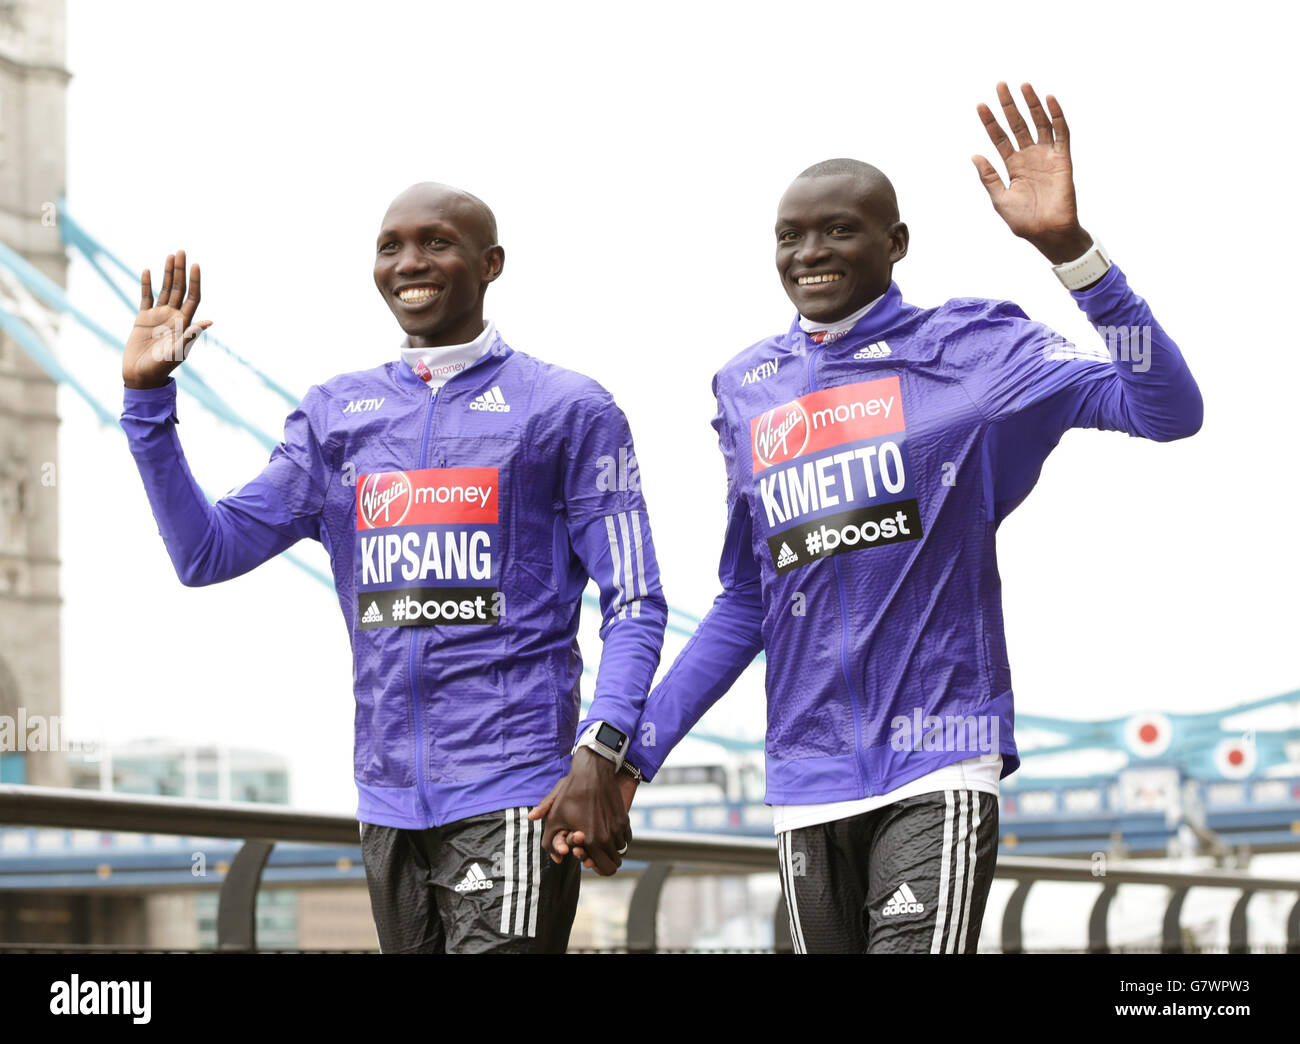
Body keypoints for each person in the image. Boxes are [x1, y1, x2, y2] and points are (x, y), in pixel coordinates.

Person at [548, 82, 1203, 952]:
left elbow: (1167, 407)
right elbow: (750, 601)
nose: (810, 252)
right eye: (790, 235)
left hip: (940, 759)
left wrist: (1074, 255)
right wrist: (632, 756)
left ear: (896, 243)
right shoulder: (746, 388)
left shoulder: (978, 346)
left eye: (838, 229)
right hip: (805, 779)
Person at [118, 182, 665, 953]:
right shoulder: (336, 416)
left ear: (491, 262)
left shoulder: (567, 409)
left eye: (436, 243)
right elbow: (205, 553)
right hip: (385, 805)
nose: (410, 262)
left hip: (516, 795)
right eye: (390, 246)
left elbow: (636, 602)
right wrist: (148, 402)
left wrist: (600, 752)